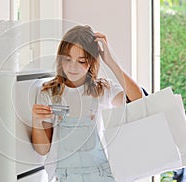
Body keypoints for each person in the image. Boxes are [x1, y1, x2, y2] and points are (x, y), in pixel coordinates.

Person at [31, 25, 142, 182]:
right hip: (63, 176)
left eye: (81, 61)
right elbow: (43, 150)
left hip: (101, 175)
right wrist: (36, 121)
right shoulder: (49, 93)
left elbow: (138, 99)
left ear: (90, 62)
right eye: (67, 59)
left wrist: (110, 61)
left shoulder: (103, 90)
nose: (72, 67)